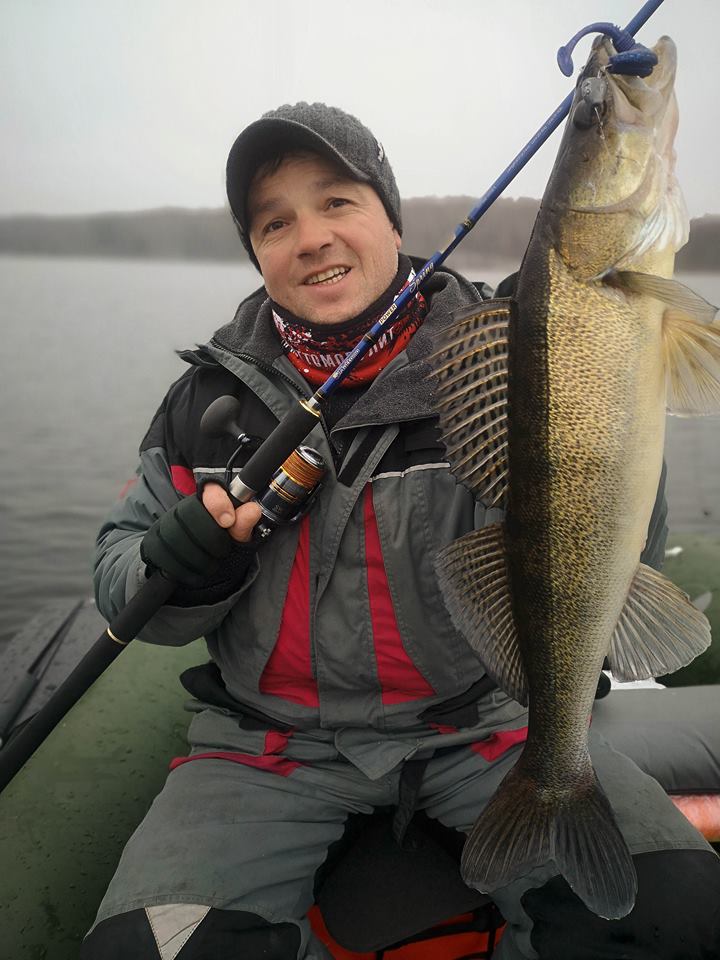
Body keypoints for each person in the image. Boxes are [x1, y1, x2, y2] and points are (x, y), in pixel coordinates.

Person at [81, 102, 720, 960]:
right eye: (275, 222)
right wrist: (178, 567)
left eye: (337, 202)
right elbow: (123, 584)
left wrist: (602, 403)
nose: (310, 237)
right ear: (257, 253)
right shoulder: (203, 407)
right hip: (265, 748)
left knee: (673, 917)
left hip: (487, 727)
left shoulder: (507, 350)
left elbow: (618, 552)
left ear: (390, 214)